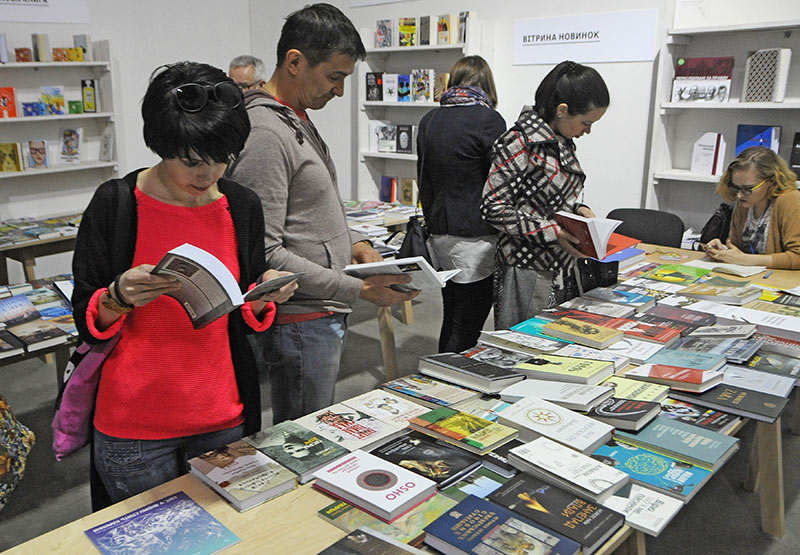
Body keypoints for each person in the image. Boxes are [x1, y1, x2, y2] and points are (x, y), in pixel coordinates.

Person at [72, 61, 297, 507]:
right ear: (162, 145)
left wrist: (263, 296)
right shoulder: (117, 204)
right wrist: (117, 297)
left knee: (236, 533)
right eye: (192, 161)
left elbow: (241, 315)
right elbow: (85, 314)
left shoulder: (241, 206)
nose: (207, 175)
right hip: (135, 427)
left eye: (221, 159)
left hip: (222, 416)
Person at [227, 3, 418, 425]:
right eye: (334, 77)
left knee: (313, 427)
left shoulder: (294, 118)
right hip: (300, 318)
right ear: (295, 62)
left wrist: (357, 243)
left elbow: (313, 208)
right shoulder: (264, 133)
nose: (340, 91)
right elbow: (265, 252)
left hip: (319, 311)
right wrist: (358, 288)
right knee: (303, 435)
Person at [481, 60, 609, 329]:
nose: (588, 131)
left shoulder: (561, 141)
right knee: (524, 342)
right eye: (586, 122)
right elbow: (492, 207)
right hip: (527, 269)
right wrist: (552, 232)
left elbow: (550, 199)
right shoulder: (520, 142)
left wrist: (579, 210)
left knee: (555, 342)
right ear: (562, 110)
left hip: (561, 266)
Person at [416, 55, 506, 353]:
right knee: (467, 324)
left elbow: (423, 180)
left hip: (439, 233)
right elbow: (501, 180)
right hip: (476, 236)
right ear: (488, 85)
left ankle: (440, 370)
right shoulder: (489, 120)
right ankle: (444, 376)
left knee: (452, 315)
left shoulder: (429, 120)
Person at [705, 146, 800, 269]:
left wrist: (746, 260)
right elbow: (737, 248)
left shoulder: (790, 200)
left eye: (748, 189)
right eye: (736, 187)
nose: (739, 195)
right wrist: (723, 251)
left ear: (771, 181)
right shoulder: (745, 203)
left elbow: (797, 256)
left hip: (780, 279)